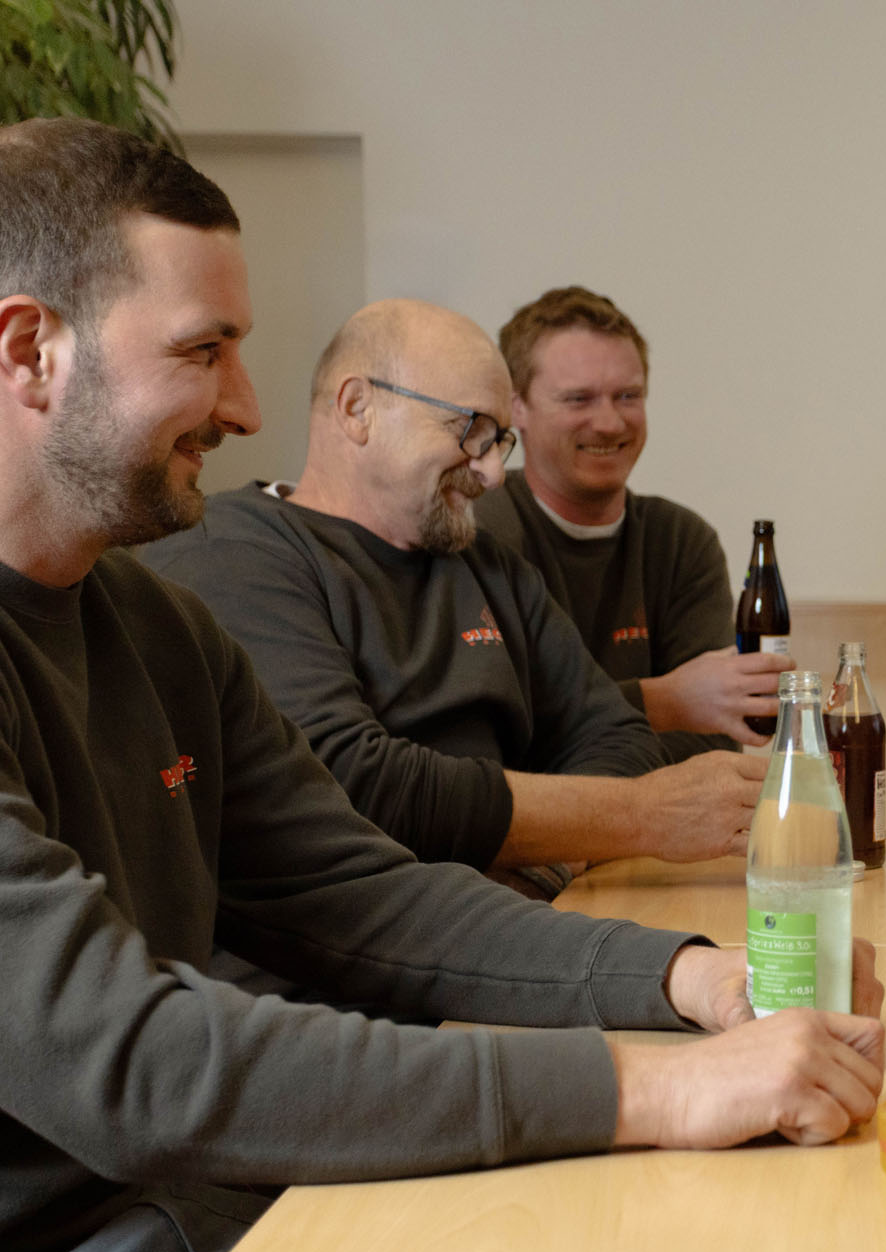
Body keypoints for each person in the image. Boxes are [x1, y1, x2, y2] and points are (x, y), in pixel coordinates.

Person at [0, 118, 883, 1252]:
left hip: (194, 1203)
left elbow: (360, 898)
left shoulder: (154, 625)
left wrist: (690, 980)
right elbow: (138, 1060)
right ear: (32, 349)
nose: (246, 407)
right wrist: (653, 1090)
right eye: (204, 352)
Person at [143, 299, 766, 896]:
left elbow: (615, 733)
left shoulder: (486, 563)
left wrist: (540, 865)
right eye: (471, 430)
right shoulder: (228, 550)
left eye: (500, 441)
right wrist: (639, 815)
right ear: (358, 409)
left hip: (522, 923)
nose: (493, 472)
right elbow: (345, 780)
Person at [475, 286, 784, 761]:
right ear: (516, 407)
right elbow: (497, 731)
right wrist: (665, 701)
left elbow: (710, 739)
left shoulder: (682, 540)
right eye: (579, 399)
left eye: (628, 396)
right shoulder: (478, 530)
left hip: (661, 830)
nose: (610, 422)